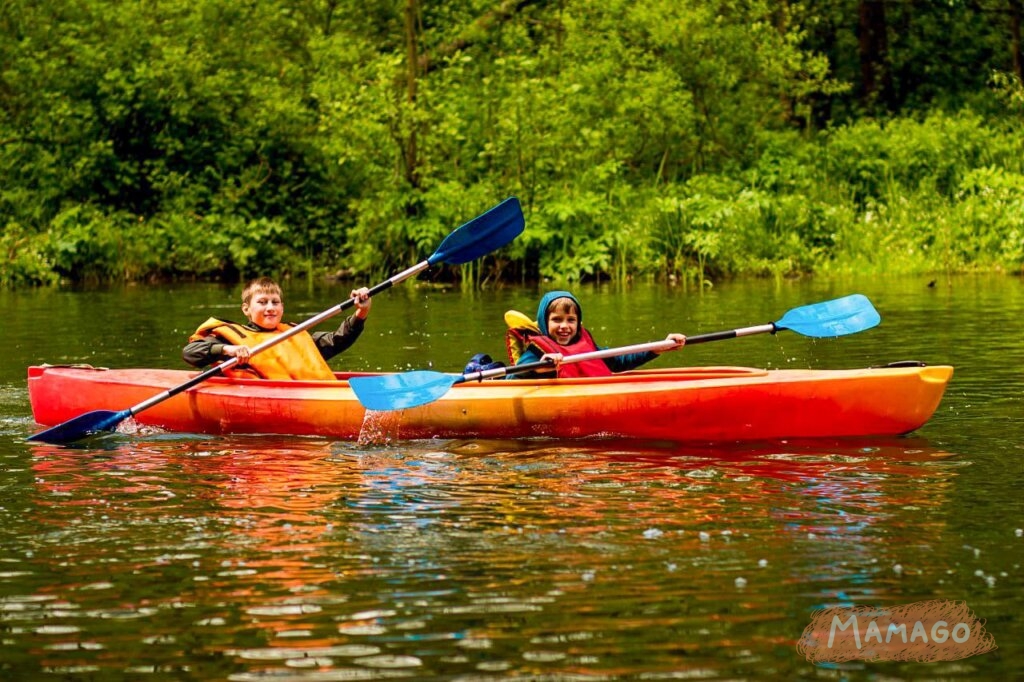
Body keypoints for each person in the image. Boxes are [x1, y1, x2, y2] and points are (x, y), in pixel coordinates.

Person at [182, 277, 372, 380]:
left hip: (314, 398)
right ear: (246, 309)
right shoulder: (233, 338)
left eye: (275, 302)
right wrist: (227, 350)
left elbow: (337, 340)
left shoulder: (293, 334)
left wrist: (362, 312)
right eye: (262, 302)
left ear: (282, 306)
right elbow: (190, 352)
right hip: (263, 400)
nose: (270, 307)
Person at [505, 290, 685, 378]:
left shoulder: (584, 345)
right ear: (545, 322)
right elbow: (512, 378)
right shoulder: (536, 353)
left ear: (578, 322)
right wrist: (538, 367)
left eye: (571, 320)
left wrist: (659, 347)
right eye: (557, 320)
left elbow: (618, 361)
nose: (564, 326)